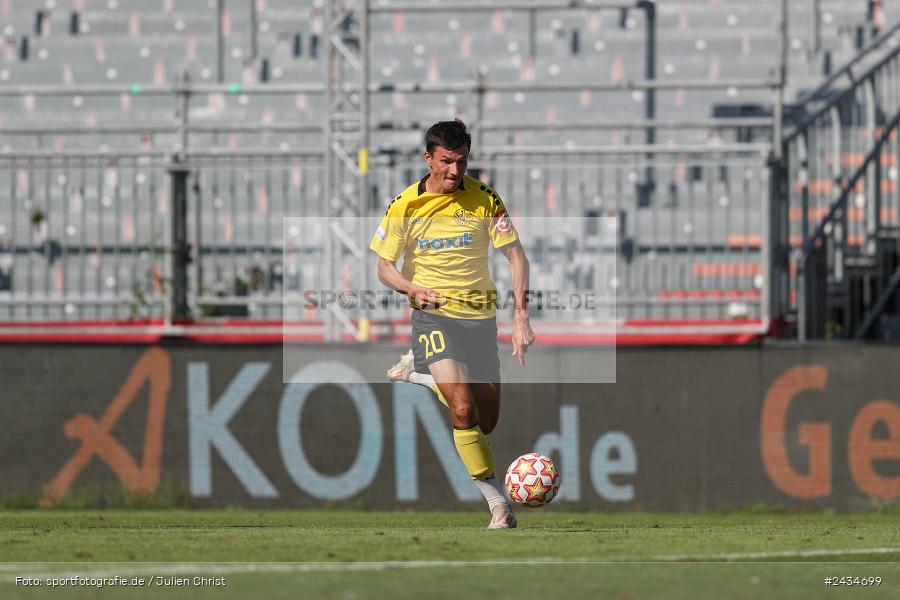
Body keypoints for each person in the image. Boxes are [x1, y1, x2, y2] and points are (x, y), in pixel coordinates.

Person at [370, 119, 535, 529]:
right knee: (462, 409)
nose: (454, 171)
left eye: (462, 162)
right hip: (433, 317)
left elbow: (517, 257)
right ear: (428, 158)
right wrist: (411, 288)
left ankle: (421, 376)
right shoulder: (405, 205)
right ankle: (498, 504)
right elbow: (384, 267)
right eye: (446, 161)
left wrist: (520, 318)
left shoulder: (485, 199)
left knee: (486, 420)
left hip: (479, 321)